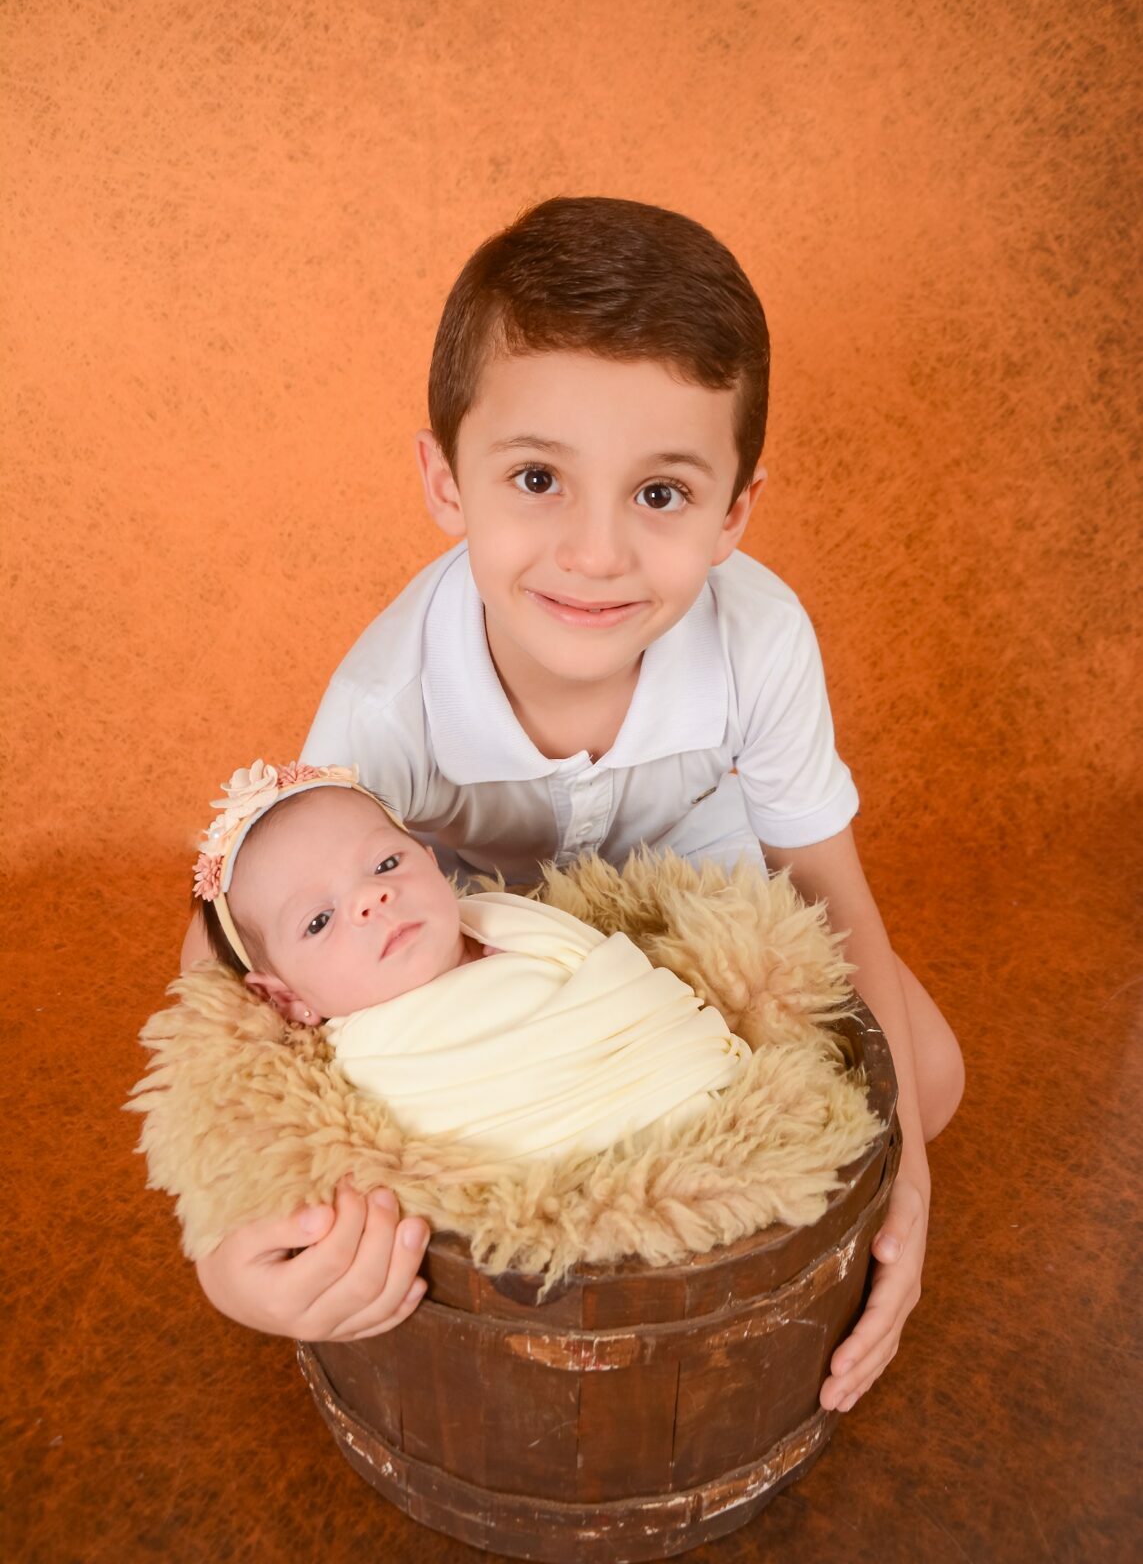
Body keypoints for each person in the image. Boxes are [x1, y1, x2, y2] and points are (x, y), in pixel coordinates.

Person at [185, 196, 964, 1412]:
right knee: (415, 1183)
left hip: (694, 912)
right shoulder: (388, 701)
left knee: (932, 1075)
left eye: (661, 494)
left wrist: (905, 1177)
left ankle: (678, 1184)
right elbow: (245, 934)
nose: (596, 554)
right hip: (472, 948)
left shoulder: (760, 639)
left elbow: (829, 886)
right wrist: (219, 1236)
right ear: (446, 481)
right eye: (539, 478)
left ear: (734, 511)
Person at [193, 758, 750, 1160]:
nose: (371, 898)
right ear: (287, 998)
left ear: (432, 863)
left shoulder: (517, 924)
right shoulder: (357, 1070)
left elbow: (639, 995)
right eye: (319, 921)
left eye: (386, 864)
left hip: (692, 1107)